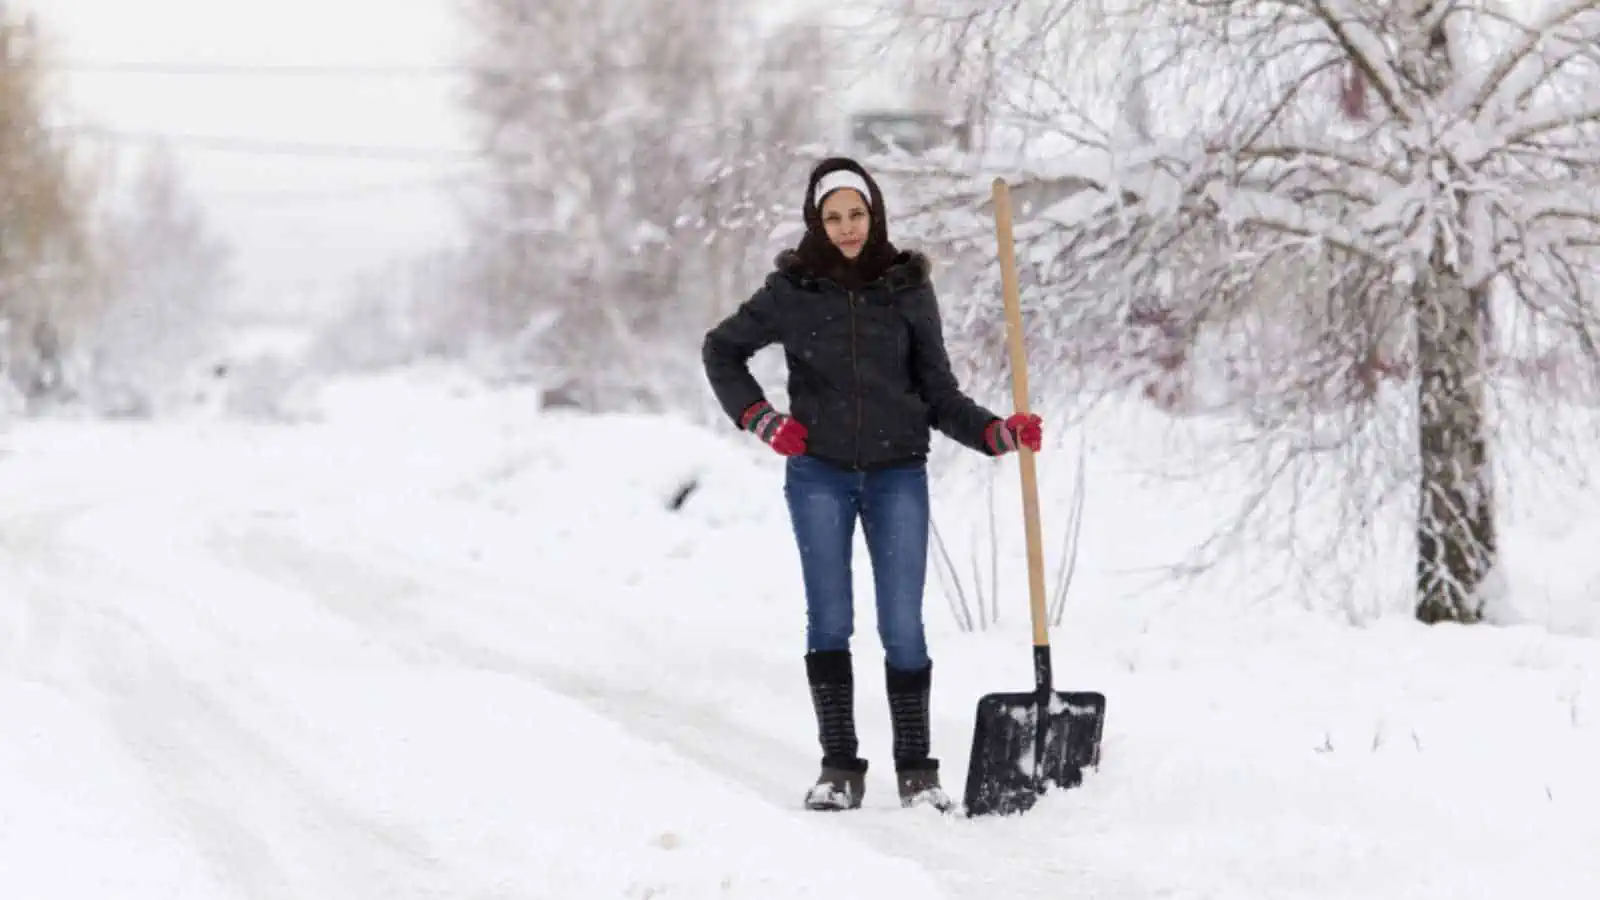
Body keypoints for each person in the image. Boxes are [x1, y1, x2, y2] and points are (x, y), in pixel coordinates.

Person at [701, 157, 1042, 813]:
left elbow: (939, 392)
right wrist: (762, 418)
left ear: (875, 214)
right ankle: (839, 769)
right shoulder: (792, 290)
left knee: (903, 626)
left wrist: (995, 432)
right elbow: (722, 349)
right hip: (818, 474)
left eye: (856, 214)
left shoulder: (906, 289)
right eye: (833, 218)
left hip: (897, 475)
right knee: (830, 620)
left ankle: (916, 773)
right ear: (816, 222)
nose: (847, 228)